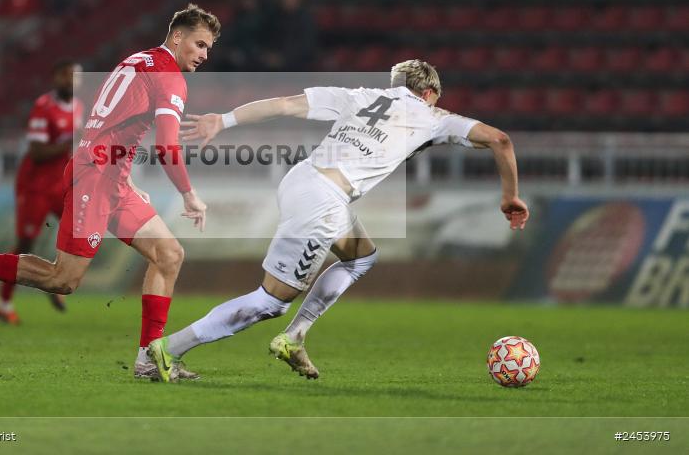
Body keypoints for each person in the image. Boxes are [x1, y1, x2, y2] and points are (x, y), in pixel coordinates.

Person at [148, 59, 529, 382]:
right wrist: (510, 195)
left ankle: (295, 337)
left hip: (302, 178)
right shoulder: (432, 115)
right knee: (271, 301)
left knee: (361, 256)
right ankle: (168, 350)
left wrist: (224, 120)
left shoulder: (359, 96)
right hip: (323, 200)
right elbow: (500, 140)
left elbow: (283, 104)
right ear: (430, 93)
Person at [0, 4, 219, 380]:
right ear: (178, 36)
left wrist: (124, 178)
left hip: (107, 175)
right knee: (63, 279)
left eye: (208, 48)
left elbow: (107, 124)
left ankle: (148, 359)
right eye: (200, 44)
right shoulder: (170, 77)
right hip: (96, 178)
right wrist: (188, 194)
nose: (204, 55)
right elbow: (166, 146)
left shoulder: (137, 61)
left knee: (168, 254)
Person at [0, 60, 85, 325]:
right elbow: (36, 151)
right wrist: (71, 142)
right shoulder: (43, 107)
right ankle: (3, 303)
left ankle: (55, 281)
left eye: (76, 77)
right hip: (35, 186)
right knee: (25, 244)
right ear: (56, 78)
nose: (71, 82)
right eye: (66, 76)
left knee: (78, 230)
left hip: (60, 185)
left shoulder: (79, 107)